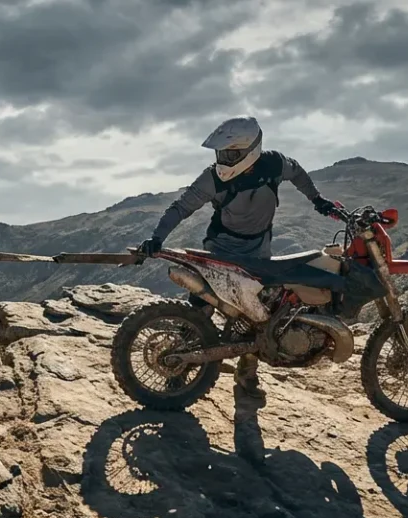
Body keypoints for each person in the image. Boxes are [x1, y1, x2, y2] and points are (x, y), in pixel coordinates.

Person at [136, 116, 337, 399]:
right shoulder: (212, 177)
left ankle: (247, 380)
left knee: (257, 316)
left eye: (230, 154)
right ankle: (178, 369)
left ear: (250, 150)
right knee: (201, 305)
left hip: (258, 250)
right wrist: (157, 238)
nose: (224, 159)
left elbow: (298, 172)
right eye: (221, 153)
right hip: (221, 249)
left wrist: (317, 199)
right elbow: (181, 207)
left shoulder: (274, 164)